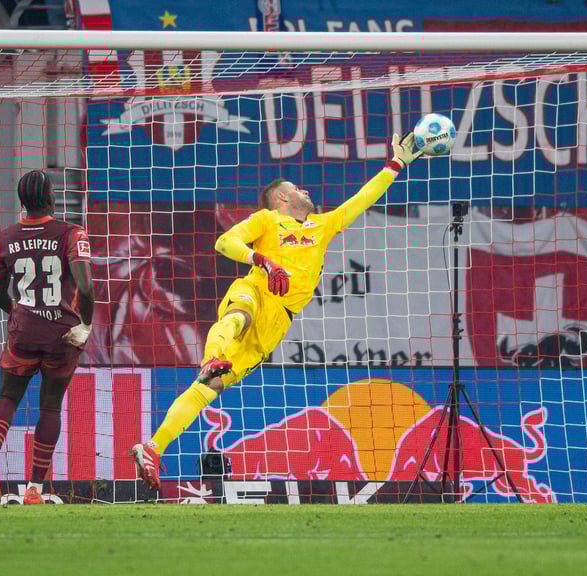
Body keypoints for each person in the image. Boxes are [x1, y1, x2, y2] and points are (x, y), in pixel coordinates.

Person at [132, 133, 422, 490]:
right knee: (238, 317)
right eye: (299, 188)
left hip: (280, 319)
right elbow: (225, 242)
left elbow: (361, 200)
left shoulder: (323, 225)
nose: (307, 192)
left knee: (210, 387)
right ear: (283, 197)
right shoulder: (267, 219)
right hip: (256, 286)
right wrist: (263, 261)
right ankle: (212, 356)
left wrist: (395, 165)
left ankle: (153, 447)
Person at [0, 170, 95, 504]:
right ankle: (34, 488)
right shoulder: (72, 233)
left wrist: (19, 312)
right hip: (62, 334)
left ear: (22, 202)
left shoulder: (5, 238)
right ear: (51, 198)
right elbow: (86, 288)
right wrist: (85, 327)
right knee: (50, 406)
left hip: (24, 332)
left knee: (8, 396)